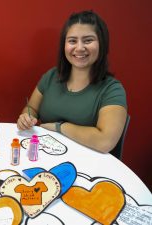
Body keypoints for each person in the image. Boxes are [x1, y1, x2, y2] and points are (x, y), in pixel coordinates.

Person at [17, 10, 127, 154]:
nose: (79, 48)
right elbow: (32, 108)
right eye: (72, 41)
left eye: (88, 40)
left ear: (102, 43)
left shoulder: (112, 89)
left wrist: (60, 127)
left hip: (88, 165)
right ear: (64, 46)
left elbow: (105, 141)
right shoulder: (51, 76)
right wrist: (26, 117)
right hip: (46, 154)